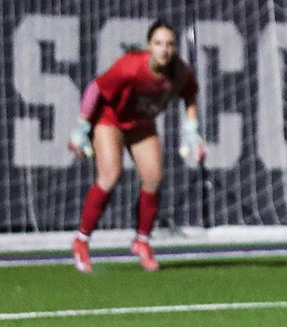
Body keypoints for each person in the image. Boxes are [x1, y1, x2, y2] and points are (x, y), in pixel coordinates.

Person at [66, 20, 206, 273]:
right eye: (158, 43)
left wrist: (192, 132)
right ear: (149, 46)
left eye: (170, 44)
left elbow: (190, 95)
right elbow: (95, 88)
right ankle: (81, 241)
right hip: (111, 120)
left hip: (142, 124)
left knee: (153, 178)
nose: (164, 49)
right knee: (110, 175)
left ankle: (142, 241)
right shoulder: (130, 66)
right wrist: (81, 129)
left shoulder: (181, 72)